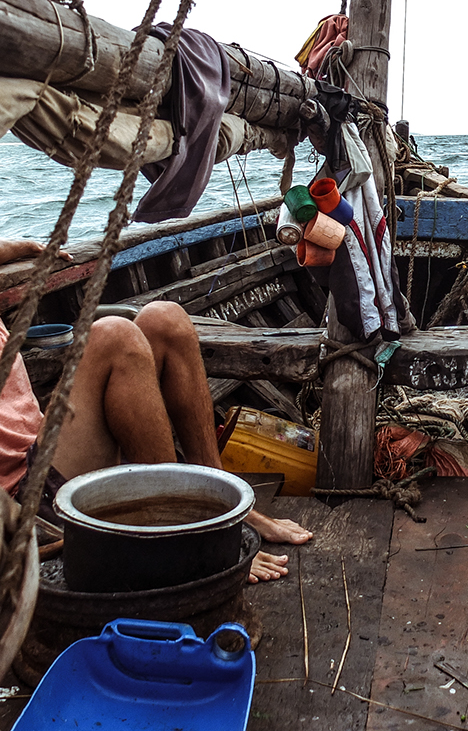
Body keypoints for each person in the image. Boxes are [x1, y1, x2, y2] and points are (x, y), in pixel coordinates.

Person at [0, 238, 313, 582]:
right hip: (24, 505)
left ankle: (231, 507)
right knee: (113, 336)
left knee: (166, 319)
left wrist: (22, 247)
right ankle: (186, 534)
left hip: (41, 454)